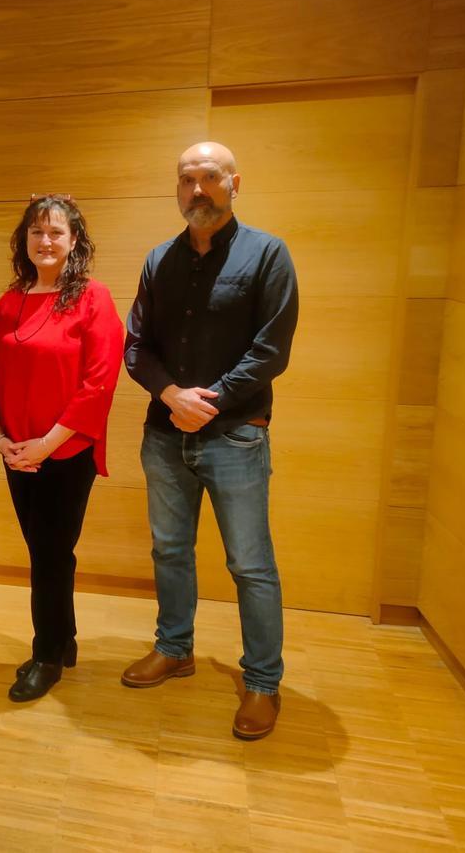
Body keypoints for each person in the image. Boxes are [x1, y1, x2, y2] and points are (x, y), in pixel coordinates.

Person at [122, 141, 299, 741]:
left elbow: (271, 349)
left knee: (250, 565)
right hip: (165, 434)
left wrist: (211, 399)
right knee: (169, 551)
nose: (196, 189)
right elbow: (136, 347)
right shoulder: (157, 261)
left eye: (208, 178)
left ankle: (262, 683)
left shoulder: (268, 254)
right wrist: (173, 396)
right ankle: (175, 648)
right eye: (185, 179)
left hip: (237, 436)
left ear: (234, 183)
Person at [0, 194, 124, 703]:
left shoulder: (93, 298)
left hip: (65, 452)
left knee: (47, 551)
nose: (46, 241)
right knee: (48, 550)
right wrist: (0, 437)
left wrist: (46, 443)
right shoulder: (8, 301)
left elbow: (99, 382)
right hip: (17, 451)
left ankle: (45, 654)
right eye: (37, 232)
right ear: (24, 241)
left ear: (73, 241)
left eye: (56, 232)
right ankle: (64, 641)